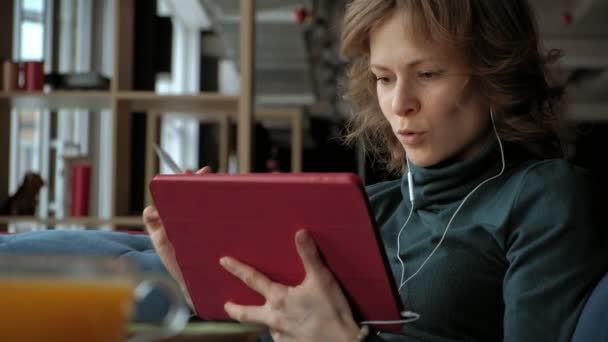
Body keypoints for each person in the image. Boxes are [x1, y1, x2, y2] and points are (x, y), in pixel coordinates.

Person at [144, 0, 608, 340]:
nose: (400, 103)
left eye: (428, 74)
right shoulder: (368, 206)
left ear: (495, 76)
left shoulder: (543, 196)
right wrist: (199, 283)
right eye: (384, 78)